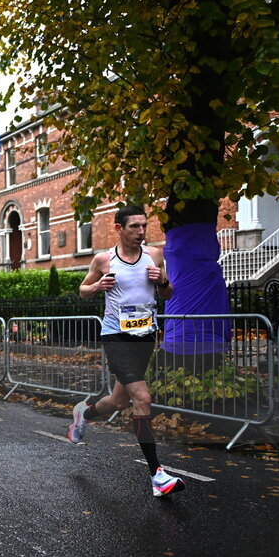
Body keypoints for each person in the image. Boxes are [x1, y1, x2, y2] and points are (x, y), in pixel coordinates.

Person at [68, 204, 185, 497]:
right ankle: (157, 475)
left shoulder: (154, 255)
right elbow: (82, 290)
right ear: (119, 228)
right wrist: (96, 286)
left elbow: (168, 293)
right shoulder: (104, 259)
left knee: (119, 401)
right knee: (142, 397)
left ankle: (85, 414)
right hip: (116, 337)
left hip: (144, 336)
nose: (141, 231)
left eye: (144, 226)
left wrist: (163, 281)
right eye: (134, 226)